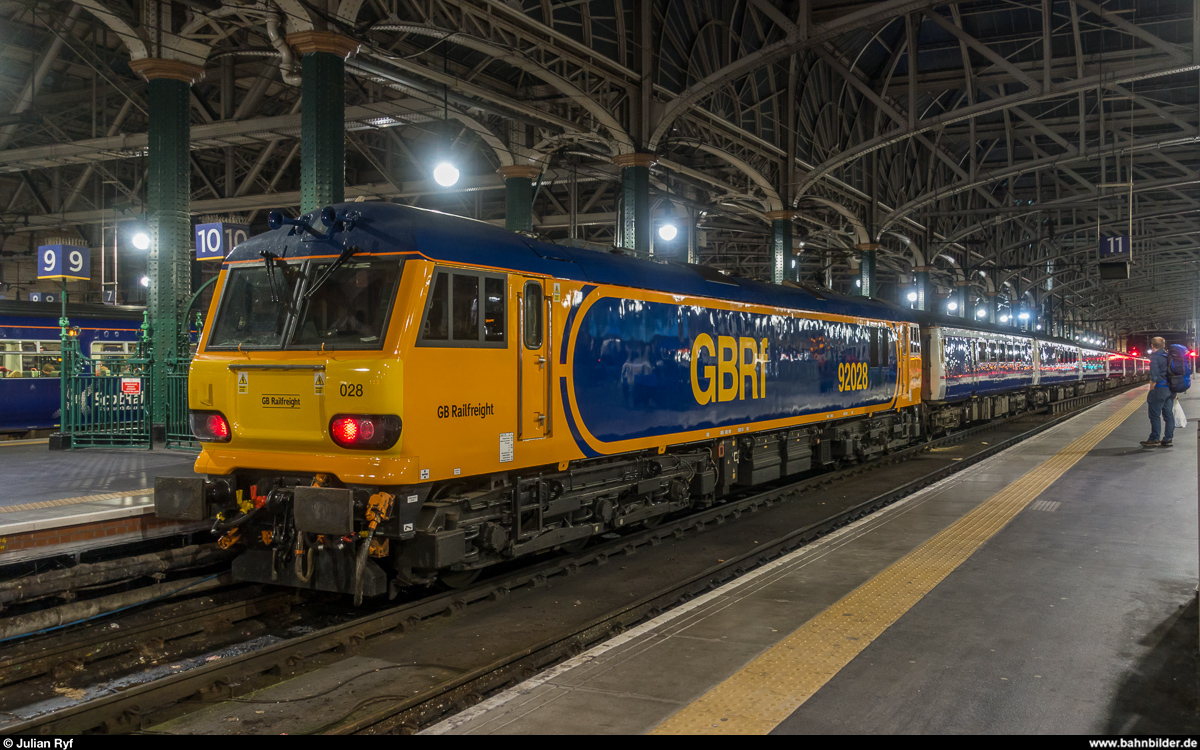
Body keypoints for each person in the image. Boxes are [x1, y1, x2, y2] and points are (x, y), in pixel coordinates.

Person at [1141, 336, 1176, 448]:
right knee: (1168, 415)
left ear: (1152, 346)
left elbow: (1154, 375)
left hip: (1160, 389)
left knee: (1154, 415)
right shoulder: (1169, 356)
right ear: (1164, 345)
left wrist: (1152, 389)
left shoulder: (1155, 357)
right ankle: (1168, 439)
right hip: (1171, 390)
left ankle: (1155, 438)